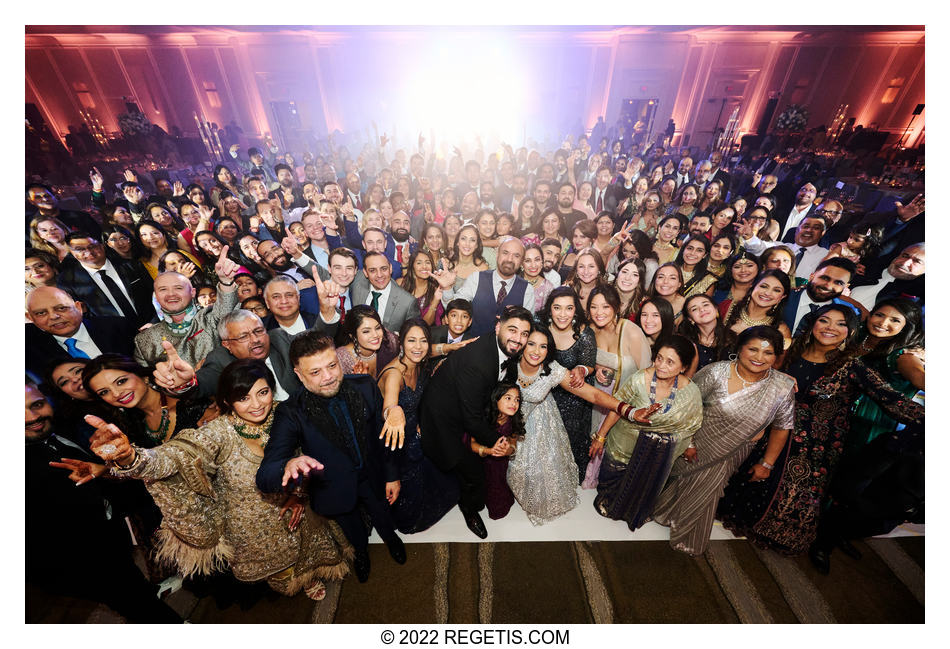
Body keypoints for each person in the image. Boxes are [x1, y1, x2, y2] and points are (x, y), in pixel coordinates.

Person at [85, 359, 351, 600]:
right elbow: (178, 455)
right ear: (227, 401)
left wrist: (299, 494)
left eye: (263, 392)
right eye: (243, 398)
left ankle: (309, 578)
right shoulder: (218, 431)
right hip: (250, 525)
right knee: (281, 573)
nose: (257, 405)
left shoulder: (287, 414)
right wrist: (131, 457)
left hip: (297, 507)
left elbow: (314, 455)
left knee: (310, 555)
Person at [716, 307, 923, 556]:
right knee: (751, 485)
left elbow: (891, 400)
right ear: (812, 324)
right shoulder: (791, 354)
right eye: (824, 320)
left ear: (851, 331)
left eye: (840, 324)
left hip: (814, 449)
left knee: (790, 503)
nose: (830, 327)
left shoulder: (852, 366)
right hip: (772, 433)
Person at [25, 380, 183, 623]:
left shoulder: (61, 428)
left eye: (37, 404)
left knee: (137, 592)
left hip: (111, 534)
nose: (31, 416)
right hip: (74, 558)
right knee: (135, 603)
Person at [255, 331, 405, 583]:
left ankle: (392, 540)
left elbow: (384, 437)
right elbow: (265, 474)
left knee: (383, 514)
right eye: (315, 372)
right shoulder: (291, 412)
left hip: (373, 476)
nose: (328, 377)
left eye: (332, 366)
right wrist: (287, 464)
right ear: (299, 375)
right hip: (333, 488)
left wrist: (392, 475)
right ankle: (361, 554)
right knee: (354, 531)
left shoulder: (365, 386)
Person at [650, 326, 796, 555]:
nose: (759, 358)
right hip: (695, 441)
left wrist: (767, 463)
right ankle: (665, 512)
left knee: (706, 491)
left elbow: (781, 427)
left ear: (777, 356)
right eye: (753, 349)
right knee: (681, 480)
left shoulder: (782, 387)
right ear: (739, 348)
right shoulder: (715, 373)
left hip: (733, 450)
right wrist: (688, 443)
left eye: (768, 353)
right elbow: (686, 405)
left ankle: (688, 539)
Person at [508, 324, 642, 524]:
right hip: (510, 423)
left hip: (541, 422)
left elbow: (593, 394)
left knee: (541, 469)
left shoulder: (553, 370)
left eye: (543, 346)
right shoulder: (507, 364)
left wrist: (627, 409)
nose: (536, 351)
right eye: (531, 344)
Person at [420, 305, 533, 538]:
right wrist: (499, 441)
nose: (518, 339)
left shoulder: (500, 348)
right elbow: (471, 419)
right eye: (512, 330)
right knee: (473, 474)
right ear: (498, 326)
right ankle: (469, 509)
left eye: (524, 334)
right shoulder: (478, 363)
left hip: (466, 410)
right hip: (444, 421)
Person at [591, 335, 703, 530]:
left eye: (670, 362)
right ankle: (610, 506)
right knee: (612, 483)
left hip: (657, 454)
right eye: (659, 358)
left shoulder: (690, 391)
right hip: (624, 445)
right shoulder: (639, 380)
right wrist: (600, 437)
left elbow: (690, 424)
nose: (661, 365)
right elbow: (617, 408)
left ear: (683, 367)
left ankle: (634, 511)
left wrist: (690, 445)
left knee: (646, 486)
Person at [378, 319, 459, 533]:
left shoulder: (419, 360)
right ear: (401, 343)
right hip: (393, 442)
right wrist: (393, 412)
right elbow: (390, 406)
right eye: (411, 340)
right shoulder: (394, 374)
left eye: (423, 341)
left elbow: (431, 351)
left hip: (418, 433)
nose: (418, 346)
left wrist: (450, 348)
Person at [586, 286, 653, 486]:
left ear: (617, 307)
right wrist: (596, 368)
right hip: (599, 398)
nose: (599, 313)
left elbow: (646, 375)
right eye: (593, 307)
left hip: (627, 402)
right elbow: (591, 360)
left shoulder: (630, 331)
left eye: (605, 307)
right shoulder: (590, 330)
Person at [133, 250, 240, 367]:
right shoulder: (144, 340)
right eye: (163, 289)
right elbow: (144, 380)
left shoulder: (210, 318)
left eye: (178, 288)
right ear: (156, 297)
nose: (171, 294)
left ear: (193, 292)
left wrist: (225, 281)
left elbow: (226, 307)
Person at [25, 286, 138, 379]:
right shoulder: (30, 350)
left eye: (61, 308)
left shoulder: (118, 327)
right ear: (30, 318)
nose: (54, 317)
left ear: (78, 307)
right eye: (41, 313)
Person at [436, 237, 533, 338]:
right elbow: (453, 309)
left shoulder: (527, 290)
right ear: (497, 254)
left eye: (516, 256)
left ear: (522, 261)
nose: (509, 259)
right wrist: (447, 288)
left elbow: (527, 328)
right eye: (505, 253)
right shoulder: (476, 278)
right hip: (471, 347)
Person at [58, 232, 155, 326]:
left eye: (92, 246)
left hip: (151, 325)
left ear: (102, 245)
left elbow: (154, 294)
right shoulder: (68, 282)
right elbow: (80, 315)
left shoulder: (132, 265)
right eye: (80, 249)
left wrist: (154, 322)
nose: (89, 252)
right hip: (113, 336)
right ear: (72, 253)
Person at [350, 252, 421, 333]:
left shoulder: (408, 302)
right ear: (365, 273)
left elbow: (414, 334)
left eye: (384, 269)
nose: (379, 275)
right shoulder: (357, 285)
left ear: (390, 268)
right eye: (372, 270)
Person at [721, 269, 792, 345]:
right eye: (764, 286)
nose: (767, 293)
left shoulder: (781, 330)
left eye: (776, 290)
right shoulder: (727, 307)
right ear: (753, 286)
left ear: (782, 297)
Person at [849, 243, 924, 309]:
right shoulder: (868, 265)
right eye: (905, 256)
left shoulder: (914, 295)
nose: (905, 263)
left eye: (917, 261)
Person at [335, 305, 400, 378]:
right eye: (366, 331)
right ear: (353, 335)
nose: (375, 335)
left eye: (378, 328)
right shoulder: (341, 359)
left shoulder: (390, 341)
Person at [678, 294, 728, 374]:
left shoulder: (732, 339)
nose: (702, 309)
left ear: (716, 309)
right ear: (690, 319)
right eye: (694, 309)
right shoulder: (685, 342)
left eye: (705, 305)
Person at [397, 249, 444, 326]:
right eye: (419, 263)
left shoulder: (437, 290)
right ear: (412, 266)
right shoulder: (400, 284)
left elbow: (426, 324)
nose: (424, 266)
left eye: (428, 262)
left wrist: (435, 301)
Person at [520, 243, 555, 313]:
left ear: (542, 262)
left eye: (537, 260)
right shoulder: (513, 283)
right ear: (521, 264)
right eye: (528, 261)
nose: (533, 265)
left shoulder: (548, 288)